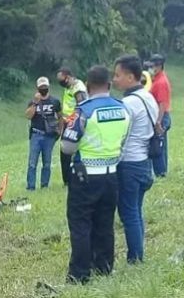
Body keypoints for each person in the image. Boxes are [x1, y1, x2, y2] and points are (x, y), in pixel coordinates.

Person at [61, 65, 130, 284]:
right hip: (111, 176)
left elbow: (67, 147)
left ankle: (80, 273)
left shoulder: (83, 111)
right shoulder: (123, 109)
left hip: (85, 176)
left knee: (81, 223)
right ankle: (104, 266)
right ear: (109, 85)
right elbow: (123, 142)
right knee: (105, 223)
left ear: (88, 87)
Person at [113, 55, 159, 263]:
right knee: (136, 210)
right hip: (144, 162)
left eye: (118, 75)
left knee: (128, 212)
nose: (115, 80)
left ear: (130, 77)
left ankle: (135, 258)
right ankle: (138, 254)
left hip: (129, 164)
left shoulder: (129, 103)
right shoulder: (148, 97)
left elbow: (120, 135)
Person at [24, 77, 63, 190]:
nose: (43, 89)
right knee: (32, 163)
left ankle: (44, 185)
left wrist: (60, 130)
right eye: (41, 87)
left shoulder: (55, 102)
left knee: (47, 163)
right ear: (37, 88)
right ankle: (31, 186)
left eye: (45, 87)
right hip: (36, 134)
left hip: (49, 136)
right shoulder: (33, 102)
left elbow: (60, 117)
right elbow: (28, 116)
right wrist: (35, 103)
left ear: (48, 87)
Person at [56, 67, 88, 186]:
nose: (60, 82)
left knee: (70, 151)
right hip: (67, 122)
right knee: (64, 153)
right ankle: (67, 180)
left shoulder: (78, 88)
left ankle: (72, 179)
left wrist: (72, 120)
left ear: (68, 77)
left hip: (74, 124)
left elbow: (82, 105)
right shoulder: (69, 87)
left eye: (61, 79)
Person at [148, 54, 171, 177]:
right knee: (160, 143)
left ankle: (160, 172)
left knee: (158, 145)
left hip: (161, 115)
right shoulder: (156, 79)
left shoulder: (161, 82)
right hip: (160, 115)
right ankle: (161, 171)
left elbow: (162, 103)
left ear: (159, 66)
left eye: (152, 66)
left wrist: (158, 122)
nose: (151, 68)